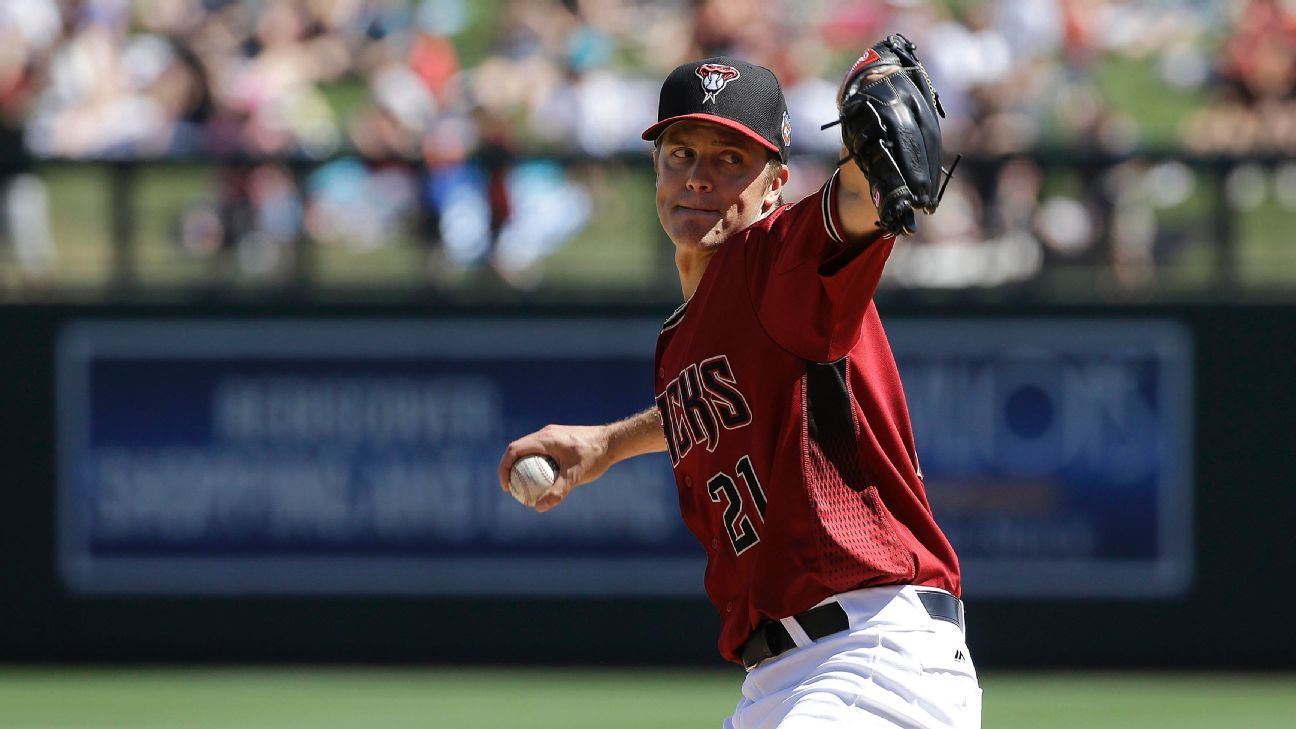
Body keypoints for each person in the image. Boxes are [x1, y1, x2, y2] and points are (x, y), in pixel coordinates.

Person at [498, 47, 981, 729]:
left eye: (730, 160)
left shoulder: (775, 259)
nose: (698, 178)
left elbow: (854, 206)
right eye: (681, 153)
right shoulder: (682, 338)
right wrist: (607, 443)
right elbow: (724, 393)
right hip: (784, 680)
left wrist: (868, 168)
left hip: (871, 658)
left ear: (774, 186)